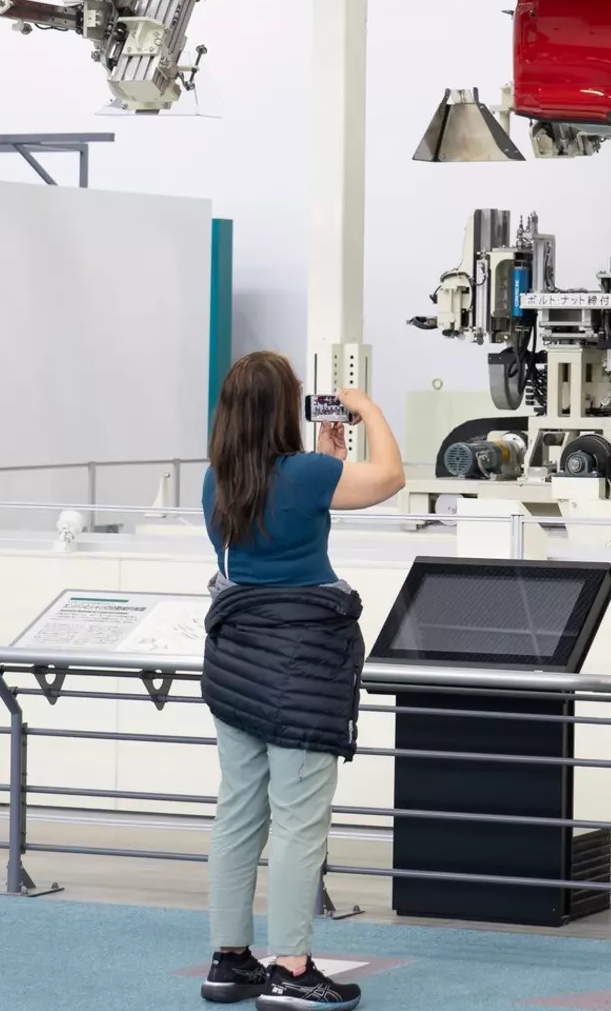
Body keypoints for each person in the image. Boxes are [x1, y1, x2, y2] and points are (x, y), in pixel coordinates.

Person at [197, 353, 404, 1009]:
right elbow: (391, 478)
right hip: (304, 666)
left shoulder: (215, 481)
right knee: (297, 822)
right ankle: (291, 967)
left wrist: (328, 455)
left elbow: (273, 525)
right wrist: (364, 408)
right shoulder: (309, 474)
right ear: (284, 406)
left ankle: (230, 962)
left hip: (236, 662)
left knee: (238, 812)